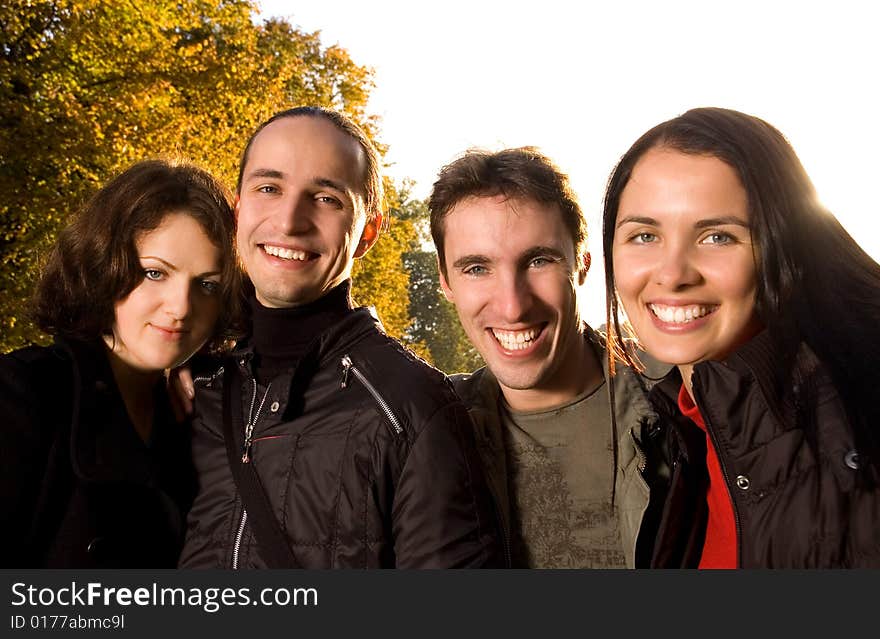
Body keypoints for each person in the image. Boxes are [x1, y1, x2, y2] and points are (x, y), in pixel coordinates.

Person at [176, 106, 500, 569]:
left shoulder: (410, 406)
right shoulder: (193, 386)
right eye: (269, 188)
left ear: (367, 232)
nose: (289, 221)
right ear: (239, 208)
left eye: (326, 198)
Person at [603, 106, 880, 568]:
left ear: (781, 246)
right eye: (644, 235)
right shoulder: (683, 429)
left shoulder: (854, 427)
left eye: (717, 237)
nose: (672, 275)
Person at [428, 147, 669, 568]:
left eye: (538, 261)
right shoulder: (427, 434)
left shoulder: (685, 397)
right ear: (445, 281)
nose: (513, 306)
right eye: (476, 269)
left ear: (583, 265)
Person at [0, 158, 240, 568]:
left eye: (206, 285)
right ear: (104, 264)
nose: (181, 307)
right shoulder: (24, 392)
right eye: (154, 273)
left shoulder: (194, 418)